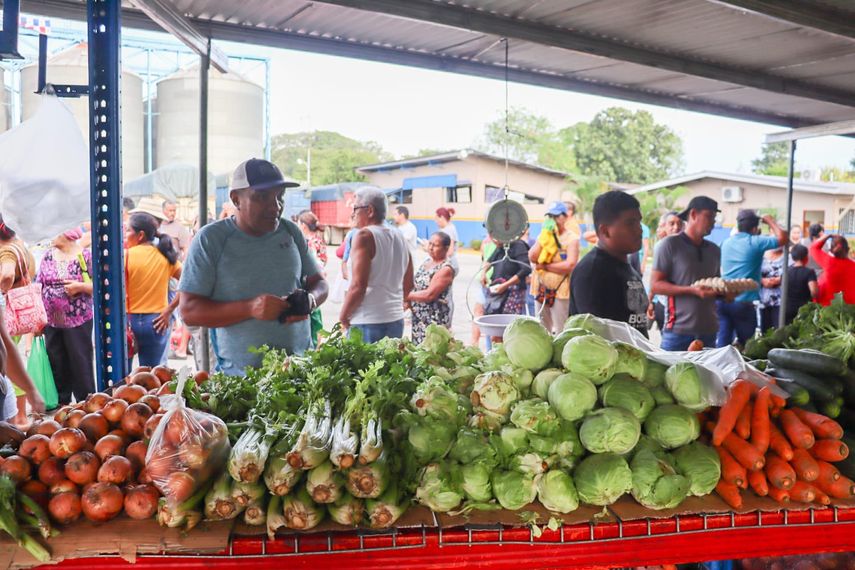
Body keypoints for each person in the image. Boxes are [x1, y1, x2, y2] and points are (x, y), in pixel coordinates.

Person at [180, 159, 327, 375]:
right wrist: (249, 308)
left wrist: (310, 299)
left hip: (299, 371)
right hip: (240, 380)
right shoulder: (211, 240)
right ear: (236, 199)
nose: (275, 206)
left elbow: (320, 283)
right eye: (262, 197)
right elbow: (189, 311)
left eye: (279, 197)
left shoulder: (291, 231)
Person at [568, 191, 648, 335]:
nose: (640, 229)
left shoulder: (627, 267)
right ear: (605, 231)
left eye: (639, 221)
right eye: (631, 223)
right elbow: (598, 340)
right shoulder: (591, 273)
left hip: (637, 356)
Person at [340, 187, 413, 342]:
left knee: (365, 367)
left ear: (370, 210)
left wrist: (343, 315)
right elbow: (409, 283)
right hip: (395, 320)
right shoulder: (399, 236)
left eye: (355, 208)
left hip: (367, 322)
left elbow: (358, 286)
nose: (352, 214)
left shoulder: (364, 235)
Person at [650, 196, 722, 351]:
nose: (713, 222)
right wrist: (692, 290)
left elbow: (716, 286)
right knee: (668, 373)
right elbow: (656, 285)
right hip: (678, 331)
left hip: (709, 331)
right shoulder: (669, 245)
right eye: (709, 217)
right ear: (694, 214)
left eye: (714, 218)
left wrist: (726, 294)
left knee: (706, 375)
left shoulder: (714, 250)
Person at [35, 229, 95, 406]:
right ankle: (61, 403)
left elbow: (100, 286)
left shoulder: (85, 256)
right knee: (56, 360)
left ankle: (86, 403)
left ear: (66, 234)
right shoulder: (48, 256)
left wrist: (80, 287)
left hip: (78, 319)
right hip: (52, 320)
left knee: (80, 360)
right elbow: (40, 284)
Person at [717, 210, 787, 348]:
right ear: (755, 229)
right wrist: (770, 221)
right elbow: (783, 238)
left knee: (722, 345)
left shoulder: (725, 242)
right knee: (749, 347)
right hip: (744, 302)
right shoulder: (755, 242)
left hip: (722, 300)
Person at [125, 213, 182, 369]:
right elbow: (189, 282)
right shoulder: (166, 257)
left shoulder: (126, 256)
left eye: (128, 230)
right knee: (153, 376)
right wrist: (169, 310)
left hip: (129, 322)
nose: (125, 235)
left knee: (122, 378)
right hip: (158, 322)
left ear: (140, 235)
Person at [0, 215, 39, 423]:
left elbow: (6, 275)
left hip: (8, 315)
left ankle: (20, 416)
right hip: (14, 316)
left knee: (7, 359)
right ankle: (19, 416)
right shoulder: (19, 246)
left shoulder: (7, 250)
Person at [528, 202, 580, 334]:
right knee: (542, 329)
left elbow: (570, 265)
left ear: (565, 217)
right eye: (550, 216)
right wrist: (544, 236)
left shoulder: (571, 238)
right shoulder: (544, 236)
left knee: (561, 329)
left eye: (556, 216)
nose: (553, 220)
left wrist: (544, 266)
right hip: (541, 289)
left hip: (560, 290)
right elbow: (532, 257)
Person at [406, 232, 454, 344]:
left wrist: (406, 295)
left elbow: (429, 295)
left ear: (446, 248)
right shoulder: (427, 262)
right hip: (419, 319)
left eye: (435, 245)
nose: (431, 248)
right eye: (430, 244)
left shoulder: (445, 268)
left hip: (434, 321)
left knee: (432, 354)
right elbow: (416, 285)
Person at [649, 211, 684, 331]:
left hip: (683, 309)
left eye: (679, 223)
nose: (676, 227)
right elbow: (654, 278)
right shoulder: (660, 246)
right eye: (672, 223)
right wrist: (650, 301)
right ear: (665, 227)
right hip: (664, 305)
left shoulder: (689, 247)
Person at [297, 210, 327, 345]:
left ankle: (315, 345)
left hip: (309, 285)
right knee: (317, 319)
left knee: (312, 320)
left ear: (303, 225)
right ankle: (317, 345)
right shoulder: (319, 240)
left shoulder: (307, 243)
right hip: (319, 282)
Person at [482, 236, 531, 317]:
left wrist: (505, 285)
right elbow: (490, 261)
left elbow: (525, 269)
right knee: (493, 316)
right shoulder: (500, 246)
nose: (494, 241)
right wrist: (483, 273)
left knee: (508, 320)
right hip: (498, 289)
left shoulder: (519, 245)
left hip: (514, 292)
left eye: (496, 239)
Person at [810, 234, 855, 305]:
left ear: (831, 250)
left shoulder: (827, 262)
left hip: (825, 308)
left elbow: (813, 248)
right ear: (848, 249)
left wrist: (828, 236)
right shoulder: (853, 266)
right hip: (849, 309)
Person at [785, 244, 817, 323]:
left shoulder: (786, 272)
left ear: (792, 257)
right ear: (806, 257)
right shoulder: (809, 272)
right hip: (804, 308)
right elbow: (814, 292)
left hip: (787, 308)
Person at [759, 247, 784, 332]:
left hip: (781, 301)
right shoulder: (761, 256)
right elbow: (752, 272)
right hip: (763, 300)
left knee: (779, 330)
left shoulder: (788, 257)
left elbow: (793, 273)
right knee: (765, 330)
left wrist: (780, 279)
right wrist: (762, 280)